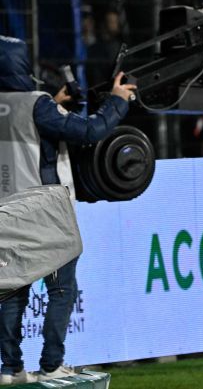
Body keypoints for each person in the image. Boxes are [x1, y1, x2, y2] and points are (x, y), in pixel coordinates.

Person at [0, 35, 136, 385]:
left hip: (6, 213)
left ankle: (11, 369)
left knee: (14, 291)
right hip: (45, 211)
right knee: (62, 289)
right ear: (21, 63)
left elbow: (25, 125)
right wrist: (118, 101)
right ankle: (52, 364)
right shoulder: (37, 104)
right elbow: (91, 130)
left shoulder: (25, 104)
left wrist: (56, 104)